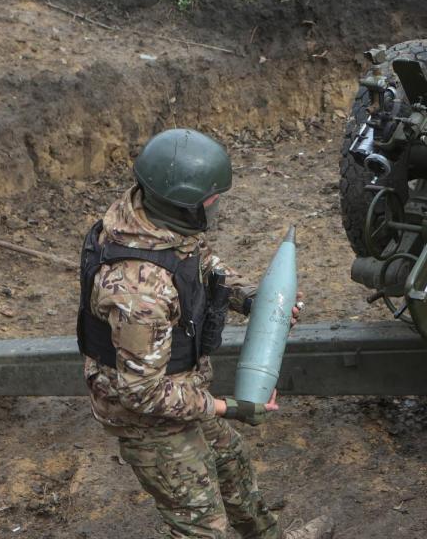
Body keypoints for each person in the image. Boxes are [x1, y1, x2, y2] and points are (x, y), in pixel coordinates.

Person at [77, 128, 333, 539]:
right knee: (201, 525)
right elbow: (141, 394)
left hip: (180, 386)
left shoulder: (149, 218)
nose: (217, 205)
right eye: (212, 199)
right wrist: (225, 407)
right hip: (147, 417)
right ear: (184, 204)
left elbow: (199, 263)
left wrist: (252, 297)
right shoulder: (141, 294)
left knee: (231, 464)